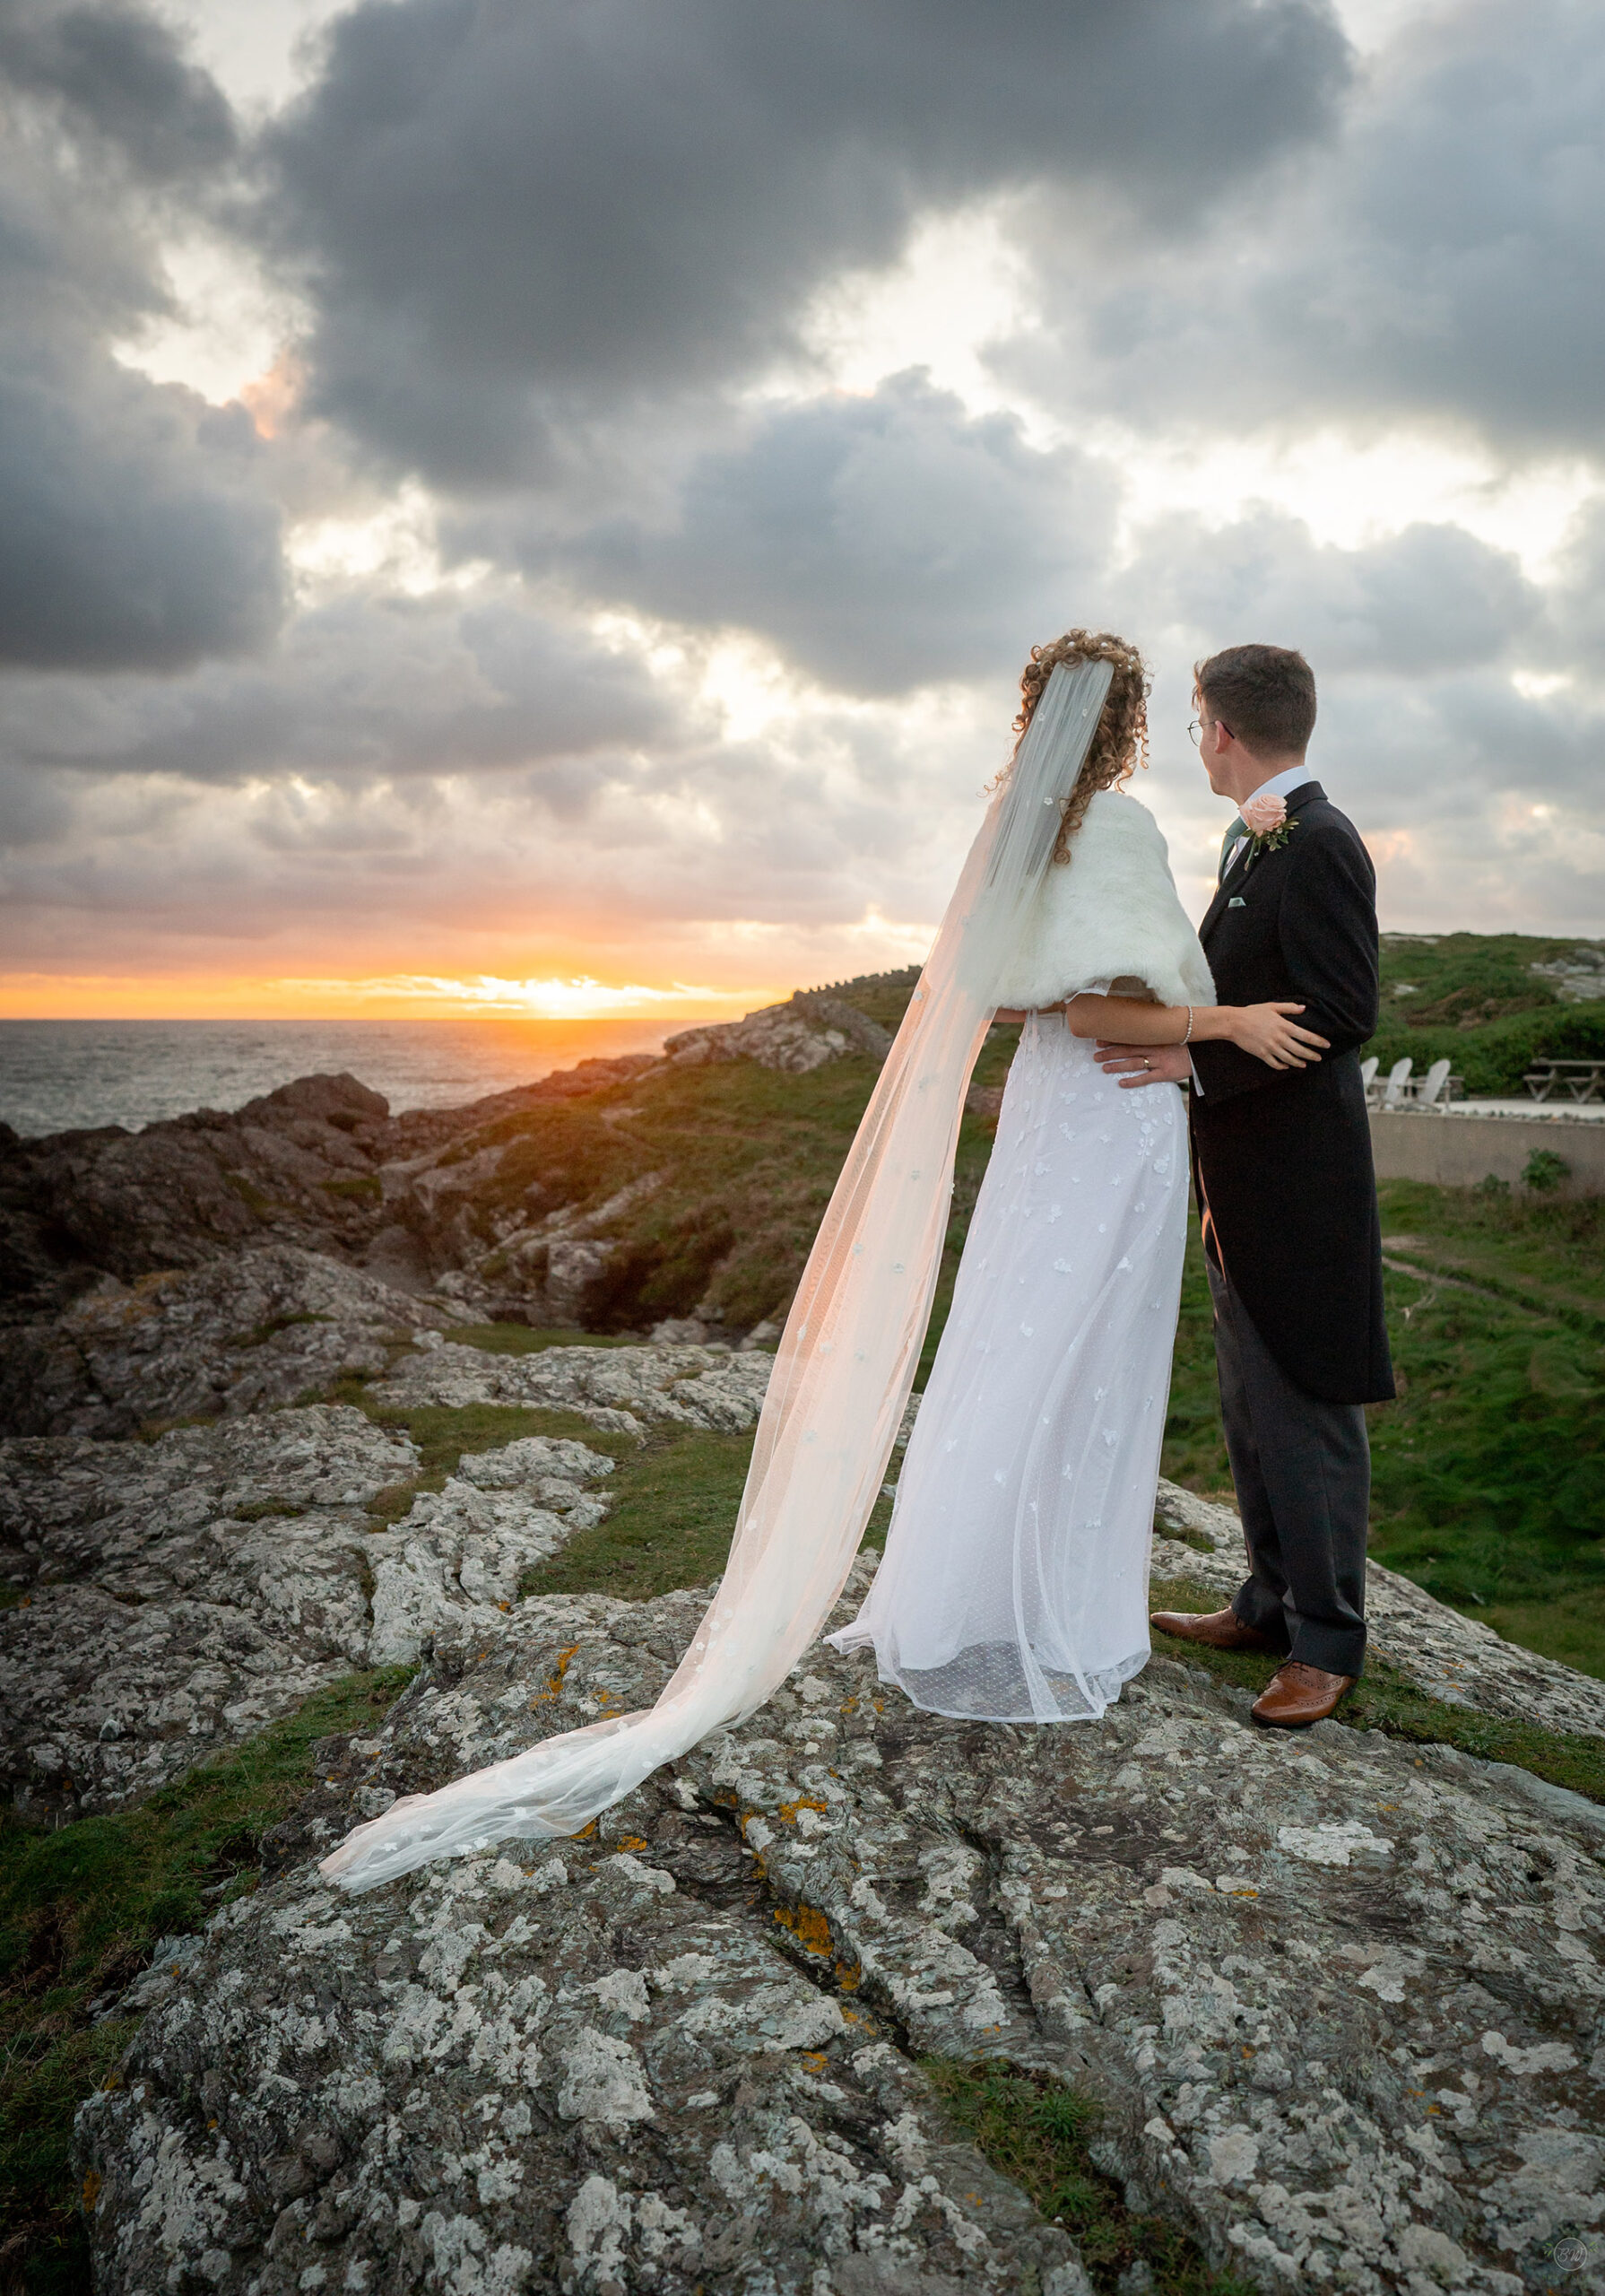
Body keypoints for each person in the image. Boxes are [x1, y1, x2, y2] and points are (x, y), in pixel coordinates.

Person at [829, 631, 1331, 1721]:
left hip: (1053, 1115)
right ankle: (1054, 1606)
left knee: (1019, 1336)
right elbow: (1100, 1009)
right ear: (1132, 722)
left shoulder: (1022, 824)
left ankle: (961, 1591)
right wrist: (1226, 1019)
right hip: (1110, 1119)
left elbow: (1014, 997)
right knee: (1090, 1352)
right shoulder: (1114, 826)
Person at [1095, 643, 1394, 1728]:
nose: (1198, 743)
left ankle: (1325, 1641)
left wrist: (1194, 1057)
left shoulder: (1314, 840)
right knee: (1249, 1405)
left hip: (1301, 1181)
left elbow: (1341, 1009)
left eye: (1195, 725)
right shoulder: (1256, 838)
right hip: (1241, 1173)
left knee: (1304, 1403)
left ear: (1219, 729)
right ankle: (1265, 1602)